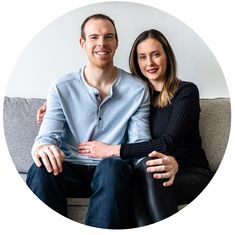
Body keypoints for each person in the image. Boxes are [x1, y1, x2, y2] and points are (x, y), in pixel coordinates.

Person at [37, 29, 213, 227]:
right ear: (136, 61)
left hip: (188, 170)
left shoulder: (185, 91)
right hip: (154, 170)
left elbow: (167, 143)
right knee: (137, 180)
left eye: (156, 55)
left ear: (167, 57)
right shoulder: (138, 94)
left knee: (148, 174)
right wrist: (52, 105)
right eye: (143, 57)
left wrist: (112, 150)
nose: (150, 63)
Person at [26, 14, 153, 229]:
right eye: (94, 37)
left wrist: (111, 151)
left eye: (108, 37)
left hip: (111, 172)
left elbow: (140, 144)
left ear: (116, 42)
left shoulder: (138, 90)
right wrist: (43, 147)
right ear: (82, 43)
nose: (101, 43)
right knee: (41, 167)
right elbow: (46, 137)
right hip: (67, 170)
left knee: (112, 167)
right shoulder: (61, 86)